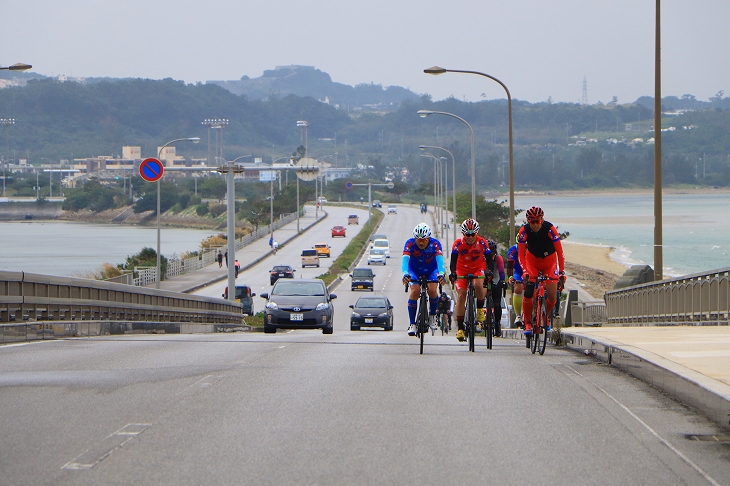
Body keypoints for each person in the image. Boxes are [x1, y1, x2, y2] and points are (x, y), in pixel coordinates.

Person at [517, 206, 566, 335]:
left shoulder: (550, 229)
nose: (534, 225)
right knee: (529, 292)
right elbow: (521, 254)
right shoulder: (524, 231)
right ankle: (527, 323)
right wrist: (524, 271)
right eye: (531, 222)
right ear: (528, 221)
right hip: (532, 261)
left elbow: (560, 253)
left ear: (542, 220)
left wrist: (561, 272)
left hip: (549, 262)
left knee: (552, 295)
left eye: (537, 221)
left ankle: (546, 316)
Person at [449, 218, 493, 342]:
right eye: (467, 234)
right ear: (463, 234)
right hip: (461, 270)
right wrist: (453, 273)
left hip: (478, 268)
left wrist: (489, 271)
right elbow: (453, 261)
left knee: (479, 285)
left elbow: (489, 260)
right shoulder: (457, 244)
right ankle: (460, 328)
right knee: (461, 295)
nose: (470, 237)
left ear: (476, 233)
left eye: (472, 234)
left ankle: (479, 309)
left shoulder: (482, 242)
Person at [401, 223, 446, 336]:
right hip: (414, 270)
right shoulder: (410, 243)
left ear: (428, 238)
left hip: (431, 270)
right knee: (415, 291)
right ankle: (412, 324)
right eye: (418, 240)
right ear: (415, 238)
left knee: (432, 290)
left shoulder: (435, 244)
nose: (421, 242)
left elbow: (440, 260)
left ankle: (432, 316)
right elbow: (405, 260)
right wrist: (405, 273)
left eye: (424, 240)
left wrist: (441, 273)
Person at [487, 239, 505, 337]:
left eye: (492, 253)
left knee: (497, 303)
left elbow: (502, 272)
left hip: (495, 279)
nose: (491, 256)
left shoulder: (498, 258)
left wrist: (502, 282)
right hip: (484, 278)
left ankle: (497, 323)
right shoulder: (481, 258)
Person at [507, 236, 525, 328]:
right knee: (517, 288)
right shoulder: (513, 250)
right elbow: (510, 266)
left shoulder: (533, 248)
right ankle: (518, 315)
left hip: (531, 270)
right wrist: (510, 277)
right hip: (519, 272)